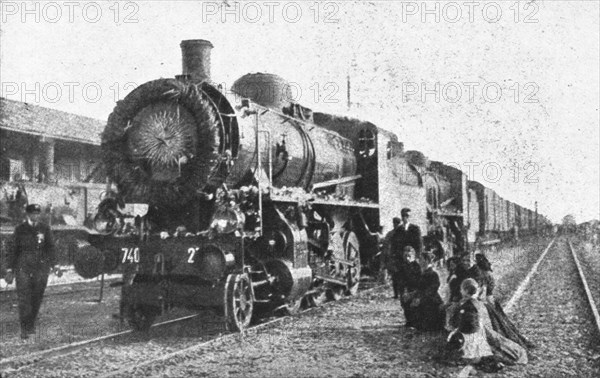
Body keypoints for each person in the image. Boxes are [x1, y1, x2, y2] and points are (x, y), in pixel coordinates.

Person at [5, 204, 59, 339]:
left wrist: (55, 265)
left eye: (37, 213)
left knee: (36, 297)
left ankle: (31, 324)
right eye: (33, 214)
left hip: (40, 268)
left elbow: (51, 248)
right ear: (27, 215)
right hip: (23, 267)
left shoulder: (44, 229)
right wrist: (10, 269)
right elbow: (13, 250)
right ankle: (24, 328)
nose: (35, 216)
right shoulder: (20, 229)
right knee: (24, 299)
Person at [471, 253, 534, 349]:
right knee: (502, 324)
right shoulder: (487, 272)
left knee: (495, 325)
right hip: (490, 299)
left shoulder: (481, 274)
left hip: (486, 300)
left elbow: (483, 290)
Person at [412, 251, 444, 331]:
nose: (419, 260)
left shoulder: (433, 274)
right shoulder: (421, 272)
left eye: (421, 259)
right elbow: (419, 288)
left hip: (432, 299)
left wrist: (420, 298)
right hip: (423, 297)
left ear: (426, 260)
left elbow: (432, 290)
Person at [399, 246, 421, 327]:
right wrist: (403, 289)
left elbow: (419, 279)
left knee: (413, 305)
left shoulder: (417, 266)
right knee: (404, 304)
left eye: (409, 256)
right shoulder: (402, 266)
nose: (407, 258)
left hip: (414, 288)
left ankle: (414, 321)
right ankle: (408, 321)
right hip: (404, 288)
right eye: (406, 256)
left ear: (413, 256)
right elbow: (400, 279)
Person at [383, 217, 402, 298]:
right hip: (395, 258)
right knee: (396, 277)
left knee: (398, 277)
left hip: (398, 258)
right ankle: (397, 294)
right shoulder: (392, 234)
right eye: (395, 223)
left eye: (396, 223)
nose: (395, 225)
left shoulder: (391, 234)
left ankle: (398, 294)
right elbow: (386, 246)